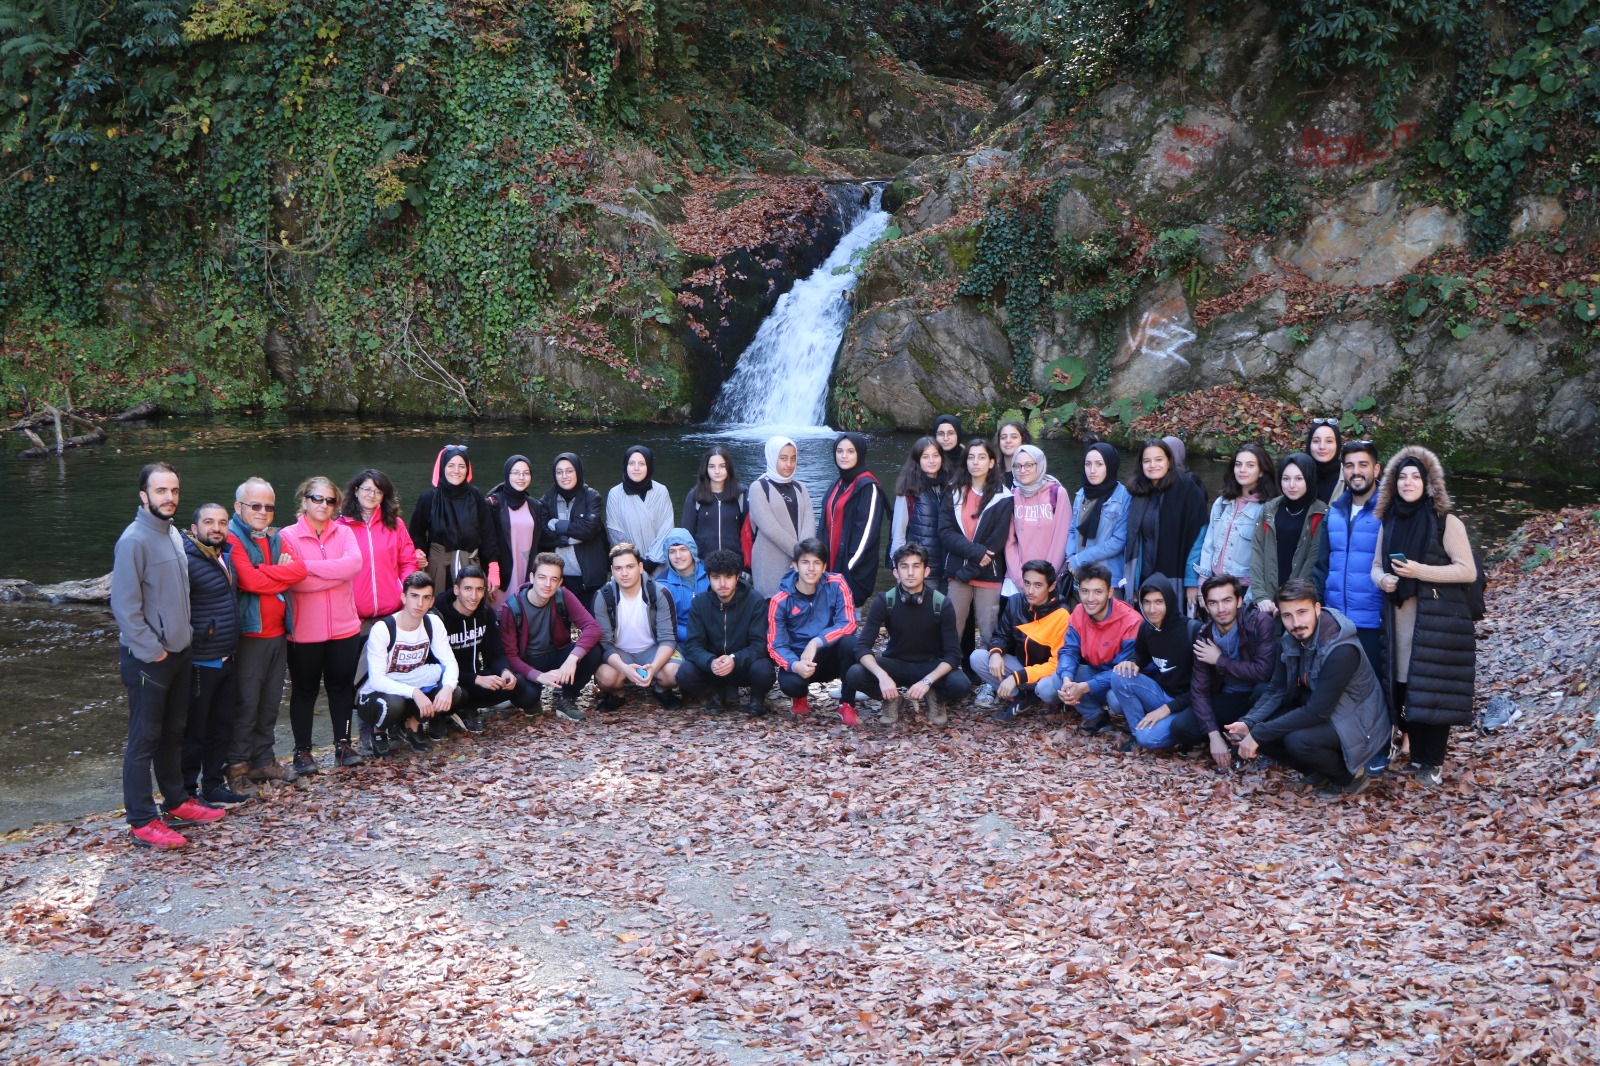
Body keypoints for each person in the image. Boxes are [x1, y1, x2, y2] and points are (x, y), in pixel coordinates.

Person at [112, 463, 223, 849]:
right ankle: (142, 821)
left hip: (179, 652)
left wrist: (183, 641)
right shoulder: (133, 541)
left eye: (174, 490)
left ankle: (175, 802)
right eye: (161, 491)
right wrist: (153, 650)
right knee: (144, 739)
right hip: (149, 659)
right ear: (144, 495)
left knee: (173, 731)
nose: (169, 497)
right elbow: (124, 607)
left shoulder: (174, 534)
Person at [1371, 446, 1478, 786]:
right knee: (1406, 690)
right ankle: (1417, 758)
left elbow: (1467, 571)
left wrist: (1419, 571)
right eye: (1402, 477)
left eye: (1415, 476)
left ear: (1428, 482)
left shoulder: (1447, 520)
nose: (1408, 482)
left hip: (1436, 621)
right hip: (1399, 619)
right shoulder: (1389, 520)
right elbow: (1376, 567)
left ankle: (1432, 763)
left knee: (1434, 691)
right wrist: (1384, 580)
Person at [1225, 579, 1388, 796]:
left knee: (1297, 741)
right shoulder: (1290, 638)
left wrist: (1259, 734)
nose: (1296, 623)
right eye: (1287, 616)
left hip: (1359, 722)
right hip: (1326, 711)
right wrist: (1249, 723)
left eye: (1302, 612)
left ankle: (1351, 778)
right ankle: (1320, 771)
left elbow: (1318, 711)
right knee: (1260, 713)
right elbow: (1276, 689)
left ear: (1317, 609)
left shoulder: (1341, 649)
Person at [226, 477, 307, 789]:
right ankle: (237, 767)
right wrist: (277, 574)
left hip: (277, 632)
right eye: (255, 505)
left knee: (271, 701)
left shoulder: (274, 536)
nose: (263, 512)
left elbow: (299, 571)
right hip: (250, 635)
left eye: (269, 507)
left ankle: (263, 760)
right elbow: (249, 581)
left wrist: (266, 572)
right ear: (238, 507)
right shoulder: (232, 537)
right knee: (246, 703)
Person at [282, 475, 365, 774]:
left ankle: (343, 744)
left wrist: (307, 568)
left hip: (344, 627)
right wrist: (335, 574)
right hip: (304, 631)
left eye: (330, 500)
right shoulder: (288, 536)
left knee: (342, 688)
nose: (323, 505)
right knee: (304, 691)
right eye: (317, 498)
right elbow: (294, 582)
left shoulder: (344, 532)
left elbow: (354, 565)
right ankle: (302, 752)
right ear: (305, 501)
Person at [845, 543, 971, 727]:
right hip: (895, 664)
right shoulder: (884, 601)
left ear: (926, 571)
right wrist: (882, 676)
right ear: (896, 573)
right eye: (904, 567)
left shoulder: (941, 603)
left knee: (962, 684)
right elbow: (862, 648)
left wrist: (927, 681)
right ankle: (892, 699)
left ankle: (935, 697)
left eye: (916, 566)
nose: (910, 572)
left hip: (930, 665)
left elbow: (953, 655)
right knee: (855, 674)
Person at [1169, 574, 1278, 768]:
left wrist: (1220, 661)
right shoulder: (1205, 635)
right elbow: (1199, 690)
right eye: (1213, 603)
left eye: (1227, 600)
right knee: (1180, 727)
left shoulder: (1259, 622)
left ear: (1239, 601)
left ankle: (1247, 740)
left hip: (1257, 699)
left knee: (1262, 690)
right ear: (1206, 606)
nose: (1221, 609)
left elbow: (1264, 672)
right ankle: (1224, 738)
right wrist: (1213, 736)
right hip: (1227, 697)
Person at [181, 503, 248, 809]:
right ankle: (186, 792)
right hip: (200, 659)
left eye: (222, 522)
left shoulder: (224, 556)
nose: (217, 528)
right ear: (195, 528)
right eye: (209, 522)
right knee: (194, 730)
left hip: (227, 655)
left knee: (221, 726)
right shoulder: (186, 560)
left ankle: (212, 785)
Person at [1086, 575, 1198, 751]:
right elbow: (1140, 654)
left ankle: (1181, 735)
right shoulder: (1146, 628)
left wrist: (1167, 709)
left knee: (1148, 738)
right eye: (1147, 602)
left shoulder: (1192, 630)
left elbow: (1204, 687)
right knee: (1119, 674)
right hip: (1161, 694)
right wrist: (1133, 662)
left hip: (1188, 703)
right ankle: (1137, 731)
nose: (1152, 609)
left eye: (1158, 602)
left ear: (1169, 601)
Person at [355, 571, 459, 755]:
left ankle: (412, 725)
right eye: (414, 596)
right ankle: (378, 732)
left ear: (432, 602)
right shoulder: (383, 629)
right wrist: (414, 692)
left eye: (426, 598)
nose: (420, 603)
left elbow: (450, 662)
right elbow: (377, 680)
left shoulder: (433, 623)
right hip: (376, 694)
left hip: (411, 685)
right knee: (394, 704)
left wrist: (447, 688)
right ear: (403, 597)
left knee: (454, 691)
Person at [498, 552, 601, 722]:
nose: (547, 584)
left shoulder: (563, 596)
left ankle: (566, 697)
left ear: (560, 582)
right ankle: (531, 698)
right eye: (542, 577)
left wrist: (572, 659)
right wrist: (539, 676)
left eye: (554, 579)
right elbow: (511, 656)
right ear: (532, 577)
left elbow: (593, 627)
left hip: (557, 654)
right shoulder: (512, 608)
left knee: (593, 651)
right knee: (527, 698)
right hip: (529, 661)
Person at [433, 564, 536, 730]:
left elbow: (495, 652)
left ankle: (467, 708)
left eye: (479, 589)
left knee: (520, 684)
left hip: (476, 678)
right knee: (459, 693)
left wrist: (504, 671)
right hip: (447, 682)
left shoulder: (485, 613)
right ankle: (444, 715)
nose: (474, 596)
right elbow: (435, 667)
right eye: (468, 589)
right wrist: (476, 679)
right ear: (457, 589)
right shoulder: (438, 617)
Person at [766, 538, 858, 720]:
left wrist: (816, 642)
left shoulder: (837, 583)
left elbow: (848, 623)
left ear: (824, 567)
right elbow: (776, 645)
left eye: (817, 563)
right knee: (791, 684)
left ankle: (847, 704)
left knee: (851, 643)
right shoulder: (780, 600)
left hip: (830, 654)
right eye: (805, 562)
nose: (811, 568)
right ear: (795, 565)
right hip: (800, 659)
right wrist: (794, 664)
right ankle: (800, 698)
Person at [677, 548, 776, 716]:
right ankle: (712, 695)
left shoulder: (754, 601)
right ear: (708, 578)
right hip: (712, 667)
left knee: (765, 670)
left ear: (737, 577)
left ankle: (756, 700)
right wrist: (710, 661)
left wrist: (734, 659)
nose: (722, 583)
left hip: (742, 665)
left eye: (728, 577)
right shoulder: (700, 603)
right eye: (716, 578)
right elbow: (693, 645)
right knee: (685, 673)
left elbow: (760, 645)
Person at [1319, 440, 1386, 687]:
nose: (1356, 471)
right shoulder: (1334, 511)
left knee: (1374, 691)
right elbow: (1322, 565)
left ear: (1376, 469)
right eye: (1349, 466)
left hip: (1373, 622)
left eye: (1363, 465)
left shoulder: (1390, 510)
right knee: (1338, 690)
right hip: (1336, 621)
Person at [971, 558, 1068, 723]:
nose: (1030, 590)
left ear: (1051, 587)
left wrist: (1016, 677)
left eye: (1038, 585)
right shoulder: (1016, 601)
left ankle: (1056, 702)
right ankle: (1020, 697)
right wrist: (995, 653)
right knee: (978, 657)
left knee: (1045, 689)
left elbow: (1057, 665)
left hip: (1045, 676)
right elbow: (1000, 635)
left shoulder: (1062, 614)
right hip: (1021, 666)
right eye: (1027, 583)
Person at [940, 438, 1013, 653]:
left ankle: (992, 672)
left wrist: (970, 570)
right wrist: (975, 554)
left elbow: (997, 540)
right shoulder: (953, 491)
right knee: (952, 628)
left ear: (991, 462)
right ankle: (949, 669)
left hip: (988, 573)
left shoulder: (1003, 496)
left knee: (989, 631)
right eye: (971, 457)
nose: (975, 462)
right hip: (958, 572)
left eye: (981, 457)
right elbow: (945, 532)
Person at [1052, 561, 1143, 732]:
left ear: (1110, 592)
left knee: (1114, 698)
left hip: (1125, 679)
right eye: (1085, 591)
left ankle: (1135, 725)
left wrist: (1084, 687)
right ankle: (1097, 717)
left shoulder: (1131, 621)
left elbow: (1123, 671)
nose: (1090, 599)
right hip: (1097, 672)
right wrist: (1067, 680)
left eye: (1098, 592)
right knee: (1060, 677)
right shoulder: (1079, 611)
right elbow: (1069, 650)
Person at [591, 542, 682, 711]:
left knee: (676, 672)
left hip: (652, 650)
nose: (624, 573)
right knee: (606, 677)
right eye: (618, 568)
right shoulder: (603, 596)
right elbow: (605, 643)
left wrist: (654, 667)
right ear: (612, 570)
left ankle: (661, 690)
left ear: (640, 567)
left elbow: (668, 638)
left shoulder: (659, 593)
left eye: (630, 567)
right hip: (620, 652)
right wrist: (624, 668)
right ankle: (617, 695)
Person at [1123, 439, 1207, 607]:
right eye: (1147, 461)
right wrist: (1134, 582)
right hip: (1144, 577)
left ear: (1169, 462)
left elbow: (1199, 537)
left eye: (1159, 460)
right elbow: (1137, 541)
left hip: (1175, 575)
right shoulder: (1139, 493)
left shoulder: (1187, 488)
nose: (1153, 465)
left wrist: (1191, 581)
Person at [409, 445, 501, 597]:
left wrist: (493, 568)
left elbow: (488, 534)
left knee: (473, 606)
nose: (456, 471)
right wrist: (419, 551)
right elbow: (416, 533)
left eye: (461, 466)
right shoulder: (429, 498)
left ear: (467, 469)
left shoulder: (475, 496)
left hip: (471, 566)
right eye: (451, 465)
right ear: (442, 468)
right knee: (440, 607)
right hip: (438, 567)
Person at [338, 469, 419, 638]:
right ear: (356, 491)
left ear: (384, 496)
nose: (372, 495)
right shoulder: (340, 527)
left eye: (378, 491)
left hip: (392, 614)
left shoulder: (395, 524)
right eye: (367, 489)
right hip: (354, 618)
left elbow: (409, 562)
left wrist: (405, 591)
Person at [1248, 453, 1328, 617]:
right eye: (1286, 479)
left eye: (1299, 479)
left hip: (1298, 601)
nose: (1292, 485)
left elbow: (1312, 562)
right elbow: (1257, 553)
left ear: (1309, 479)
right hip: (1266, 601)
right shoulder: (1270, 509)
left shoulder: (1320, 514)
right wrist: (1261, 596)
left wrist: (1287, 600)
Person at [1194, 444, 1273, 592]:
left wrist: (1253, 596)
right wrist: (1202, 583)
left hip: (1244, 587)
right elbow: (1209, 544)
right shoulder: (1222, 502)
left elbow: (1266, 559)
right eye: (1238, 464)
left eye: (1250, 465)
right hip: (1215, 582)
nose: (1242, 470)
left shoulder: (1267, 509)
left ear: (1261, 471)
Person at [820, 432, 885, 608]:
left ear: (860, 453)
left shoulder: (868, 488)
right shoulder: (837, 485)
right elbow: (823, 527)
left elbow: (866, 537)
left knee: (848, 619)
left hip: (851, 575)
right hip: (829, 572)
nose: (844, 456)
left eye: (850, 451)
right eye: (840, 451)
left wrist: (845, 573)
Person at [748, 435, 815, 598]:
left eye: (793, 458)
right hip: (770, 563)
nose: (789, 464)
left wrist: (803, 556)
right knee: (772, 607)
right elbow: (770, 528)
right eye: (783, 458)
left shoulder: (800, 487)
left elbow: (809, 522)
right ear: (772, 457)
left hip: (800, 565)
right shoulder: (758, 487)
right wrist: (801, 554)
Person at [539, 452, 607, 611]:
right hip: (557, 578)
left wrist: (558, 526)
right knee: (559, 621)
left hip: (588, 577)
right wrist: (563, 539)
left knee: (590, 621)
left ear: (578, 471)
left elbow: (589, 530)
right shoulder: (547, 499)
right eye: (559, 472)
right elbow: (542, 533)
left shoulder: (592, 497)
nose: (564, 476)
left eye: (569, 471)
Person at [1004, 444, 1070, 597]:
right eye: (1018, 466)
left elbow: (1061, 539)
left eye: (1029, 465)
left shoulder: (1057, 493)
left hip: (1050, 579)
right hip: (1018, 580)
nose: (1023, 470)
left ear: (1039, 465)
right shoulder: (1012, 496)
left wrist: (1044, 579)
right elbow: (1009, 542)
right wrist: (1021, 580)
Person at [1066, 443, 1130, 593]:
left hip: (1108, 579)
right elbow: (1072, 530)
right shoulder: (1082, 494)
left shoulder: (1123, 498)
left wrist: (1079, 560)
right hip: (1079, 576)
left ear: (1110, 465)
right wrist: (1071, 558)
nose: (1092, 470)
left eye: (1099, 464)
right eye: (1088, 464)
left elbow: (1118, 541)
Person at [486, 455, 547, 609]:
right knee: (500, 613)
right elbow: (487, 542)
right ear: (507, 474)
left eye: (526, 473)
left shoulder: (534, 505)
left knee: (523, 611)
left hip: (526, 567)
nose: (521, 477)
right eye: (516, 473)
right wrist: (490, 573)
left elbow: (539, 541)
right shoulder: (494, 504)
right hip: (502, 572)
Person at [888, 437, 947, 589]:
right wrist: (898, 569)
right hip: (919, 569)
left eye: (935, 455)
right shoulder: (908, 491)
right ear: (917, 460)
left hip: (948, 569)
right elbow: (898, 534)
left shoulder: (950, 486)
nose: (931, 461)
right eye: (925, 457)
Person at [606, 445, 674, 571]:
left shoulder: (661, 491)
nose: (636, 468)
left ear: (649, 466)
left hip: (660, 564)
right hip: (629, 567)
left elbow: (667, 528)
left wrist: (652, 561)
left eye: (641, 464)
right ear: (625, 465)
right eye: (631, 463)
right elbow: (615, 532)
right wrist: (636, 561)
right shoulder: (615, 494)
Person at [681, 446, 746, 563]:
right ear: (705, 469)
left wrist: (746, 564)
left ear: (729, 467)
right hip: (703, 563)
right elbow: (687, 533)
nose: (717, 471)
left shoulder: (741, 494)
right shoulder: (695, 495)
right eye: (712, 466)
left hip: (734, 563)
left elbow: (747, 532)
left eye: (722, 466)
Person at [659, 528, 709, 644]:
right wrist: (694, 636)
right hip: (682, 641)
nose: (678, 556)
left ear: (692, 550)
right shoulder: (662, 584)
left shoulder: (711, 573)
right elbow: (666, 624)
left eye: (683, 549)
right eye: (672, 551)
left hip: (715, 635)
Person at [1305, 419, 1346, 505]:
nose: (1322, 446)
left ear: (1337, 444)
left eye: (1329, 441)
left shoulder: (1349, 475)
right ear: (1309, 444)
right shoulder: (1297, 474)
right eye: (1316, 441)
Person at [995, 419, 1032, 489]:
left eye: (1014, 437)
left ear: (1023, 441)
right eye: (1003, 437)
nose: (1008, 441)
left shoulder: (1032, 473)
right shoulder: (991, 472)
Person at [930, 414, 964, 482]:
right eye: (940, 434)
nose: (945, 438)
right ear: (935, 436)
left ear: (958, 435)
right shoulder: (927, 459)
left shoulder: (969, 458)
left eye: (950, 433)